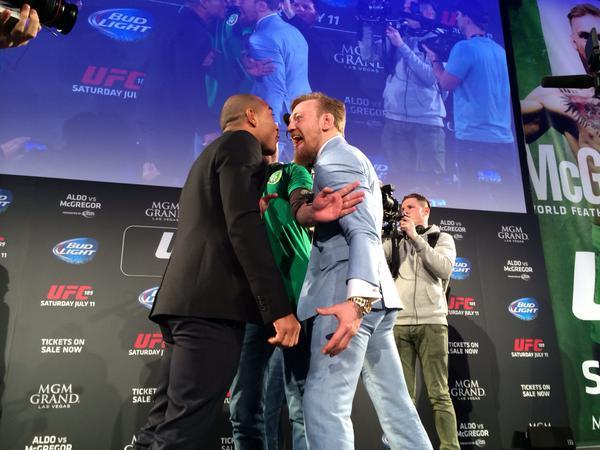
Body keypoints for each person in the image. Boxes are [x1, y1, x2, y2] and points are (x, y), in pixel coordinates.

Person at [132, 94, 301, 450]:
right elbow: (243, 229)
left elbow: (221, 220)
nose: (281, 128)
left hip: (184, 305)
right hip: (211, 309)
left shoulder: (210, 154)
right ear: (252, 117)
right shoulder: (242, 144)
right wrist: (279, 309)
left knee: (161, 427)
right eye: (273, 116)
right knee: (181, 432)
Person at [286, 92, 433, 450]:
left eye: (299, 117)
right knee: (396, 407)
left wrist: (355, 301)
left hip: (345, 297)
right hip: (374, 301)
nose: (290, 125)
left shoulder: (333, 161)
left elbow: (363, 231)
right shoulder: (352, 158)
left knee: (323, 406)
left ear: (326, 121)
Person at [230, 144, 365, 450]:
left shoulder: (291, 171)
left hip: (298, 302)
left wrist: (310, 211)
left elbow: (301, 208)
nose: (280, 134)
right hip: (251, 305)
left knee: (303, 407)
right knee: (244, 408)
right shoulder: (234, 183)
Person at [520, 2, 600, 356]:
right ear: (573, 41)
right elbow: (508, 131)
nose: (596, 43)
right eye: (586, 35)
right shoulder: (556, 96)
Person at [385, 193, 459, 450]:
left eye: (410, 207)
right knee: (402, 397)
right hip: (399, 323)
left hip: (432, 323)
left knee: (439, 394)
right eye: (402, 208)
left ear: (425, 210)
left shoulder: (442, 238)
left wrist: (416, 239)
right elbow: (373, 259)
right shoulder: (394, 241)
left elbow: (444, 269)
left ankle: (450, 447)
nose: (404, 211)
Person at [423, 1, 516, 201]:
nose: (456, 19)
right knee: (507, 200)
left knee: (471, 199)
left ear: (466, 17)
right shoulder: (501, 52)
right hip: (503, 139)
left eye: (457, 15)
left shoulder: (464, 48)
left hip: (473, 138)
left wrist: (435, 61)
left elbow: (446, 83)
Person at [136, 0, 227, 185]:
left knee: (152, 182)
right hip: (170, 121)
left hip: (153, 115)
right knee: (165, 183)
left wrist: (199, 61)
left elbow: (167, 65)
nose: (227, 3)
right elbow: (188, 81)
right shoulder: (194, 31)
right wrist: (206, 126)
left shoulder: (173, 22)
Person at [381, 0, 446, 188]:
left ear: (428, 10)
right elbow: (368, 55)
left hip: (427, 122)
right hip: (395, 119)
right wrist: (365, 27)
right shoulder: (396, 34)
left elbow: (430, 77)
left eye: (412, 7)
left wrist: (401, 46)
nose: (406, 11)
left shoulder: (439, 39)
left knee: (431, 184)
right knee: (398, 182)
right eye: (405, 7)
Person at [239, 0, 311, 160]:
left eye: (244, 0)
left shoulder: (262, 38)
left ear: (262, 6)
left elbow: (274, 87)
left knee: (268, 180)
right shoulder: (294, 31)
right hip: (302, 118)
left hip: (280, 122)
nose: (238, 3)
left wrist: (271, 129)